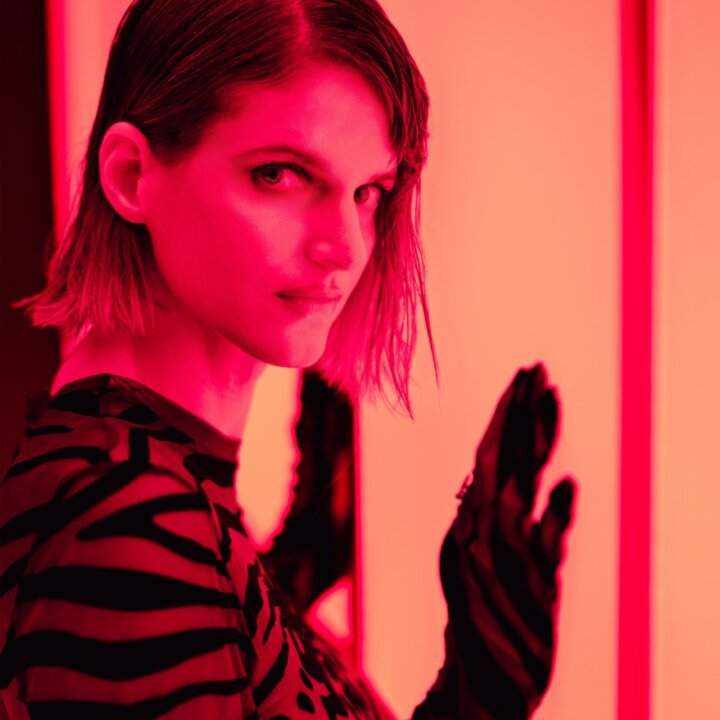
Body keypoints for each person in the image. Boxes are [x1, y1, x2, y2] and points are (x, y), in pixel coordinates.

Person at [0, 0, 577, 717]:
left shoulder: (155, 486)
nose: (346, 247)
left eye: (368, 191)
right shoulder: (123, 522)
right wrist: (479, 698)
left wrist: (306, 557)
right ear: (131, 176)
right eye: (280, 174)